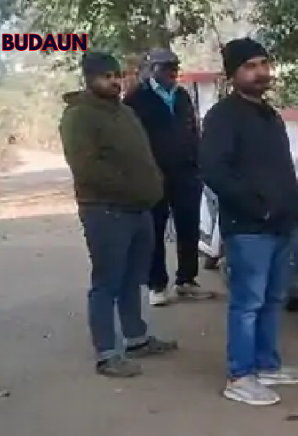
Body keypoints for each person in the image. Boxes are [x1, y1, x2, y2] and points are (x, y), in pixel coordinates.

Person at [199, 37, 298, 406]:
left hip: (281, 225)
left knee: (273, 299)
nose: (260, 72)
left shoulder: (269, 115)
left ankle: (266, 366)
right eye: (250, 66)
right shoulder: (223, 117)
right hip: (249, 229)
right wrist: (257, 207)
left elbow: (280, 169)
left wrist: (291, 208)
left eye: (264, 64)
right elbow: (214, 170)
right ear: (232, 75)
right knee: (247, 303)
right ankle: (240, 376)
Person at [59, 52, 178, 378]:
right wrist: (129, 187)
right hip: (106, 210)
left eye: (117, 75)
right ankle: (107, 353)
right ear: (89, 78)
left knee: (132, 278)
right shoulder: (79, 116)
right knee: (107, 282)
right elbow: (86, 167)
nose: (114, 81)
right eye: (106, 76)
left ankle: (136, 338)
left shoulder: (124, 111)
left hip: (139, 208)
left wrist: (152, 184)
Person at [124, 48, 215, 306]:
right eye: (165, 67)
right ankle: (157, 285)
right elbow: (131, 138)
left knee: (189, 227)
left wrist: (198, 161)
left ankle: (186, 280)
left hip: (186, 172)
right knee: (155, 230)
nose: (171, 71)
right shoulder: (136, 98)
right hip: (153, 174)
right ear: (152, 69)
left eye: (174, 66)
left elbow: (193, 129)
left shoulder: (182, 95)